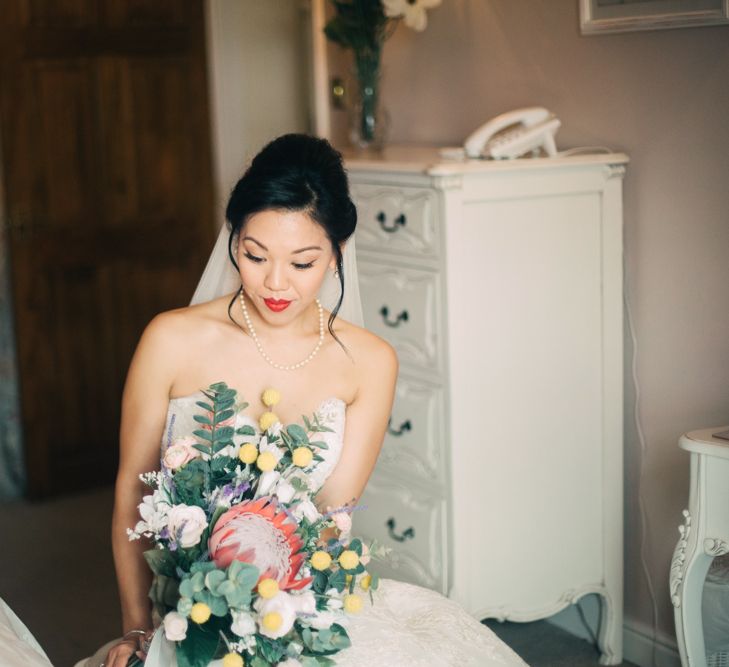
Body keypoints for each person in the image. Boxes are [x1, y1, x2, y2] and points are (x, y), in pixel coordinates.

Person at [74, 133, 527, 667]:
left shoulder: (371, 362)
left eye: (302, 263)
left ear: (336, 254)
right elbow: (133, 489)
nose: (274, 283)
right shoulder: (170, 340)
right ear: (233, 241)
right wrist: (136, 627)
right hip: (181, 616)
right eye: (255, 254)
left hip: (297, 608)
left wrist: (275, 619)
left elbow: (331, 519)